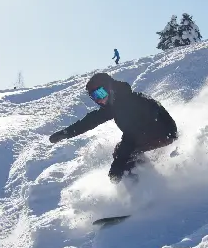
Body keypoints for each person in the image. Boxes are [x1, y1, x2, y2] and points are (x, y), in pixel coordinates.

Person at [48, 72, 177, 183]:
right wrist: (66, 133)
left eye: (100, 93)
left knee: (125, 154)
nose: (99, 100)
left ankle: (143, 189)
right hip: (156, 132)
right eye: (94, 97)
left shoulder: (127, 103)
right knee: (123, 152)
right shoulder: (115, 103)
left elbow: (132, 134)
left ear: (110, 88)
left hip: (163, 131)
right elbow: (91, 120)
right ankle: (148, 180)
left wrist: (117, 166)